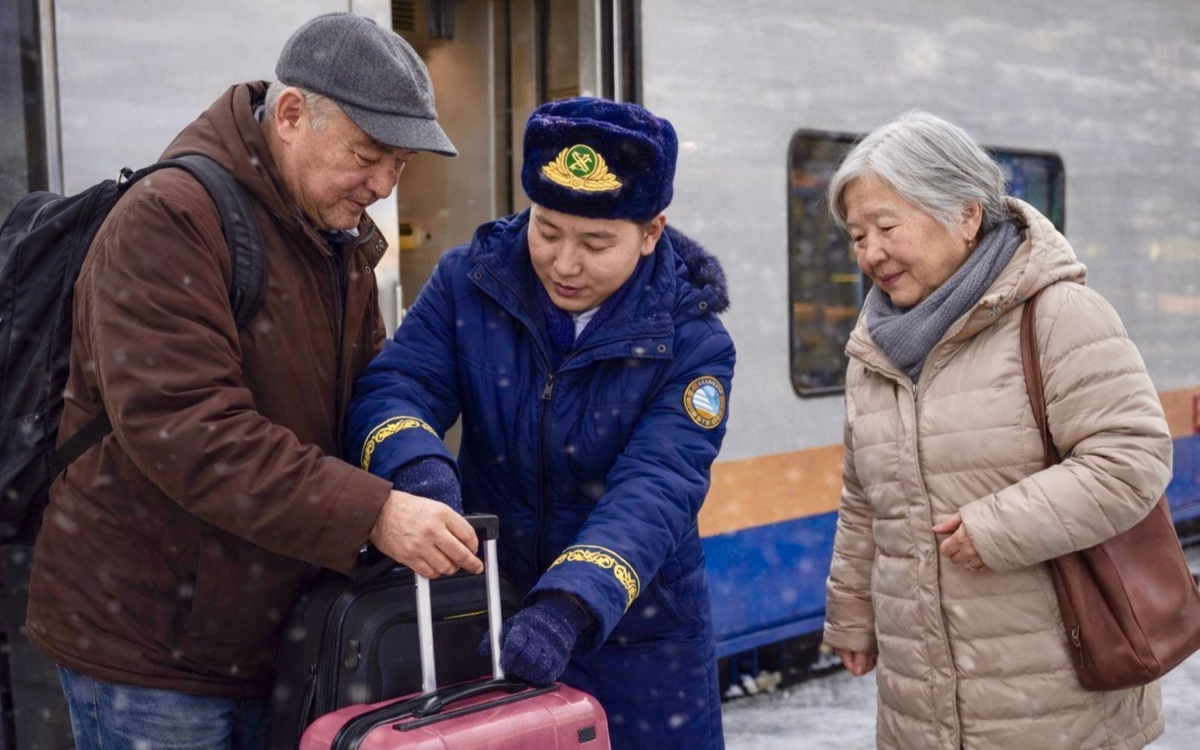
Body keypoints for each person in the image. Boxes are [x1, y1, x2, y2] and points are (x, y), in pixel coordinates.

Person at [25, 13, 484, 750]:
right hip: (155, 650)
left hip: (265, 632)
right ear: (293, 113)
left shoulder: (331, 237)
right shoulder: (171, 219)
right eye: (369, 155)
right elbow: (189, 429)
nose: (383, 185)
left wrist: (412, 468)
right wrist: (373, 513)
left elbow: (368, 391)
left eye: (400, 165)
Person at [346, 97, 735, 749]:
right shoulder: (470, 283)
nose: (564, 263)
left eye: (595, 243)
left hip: (640, 643)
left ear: (651, 232)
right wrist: (416, 466)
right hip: (492, 614)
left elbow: (658, 485)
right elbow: (397, 386)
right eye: (548, 230)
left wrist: (569, 602)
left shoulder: (693, 342)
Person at [821, 109, 1172, 749]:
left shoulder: (1058, 314)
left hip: (1054, 695)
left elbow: (1131, 459)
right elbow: (862, 499)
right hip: (918, 695)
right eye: (856, 235)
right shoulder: (874, 349)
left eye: (886, 226)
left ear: (965, 215)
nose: (870, 252)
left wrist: (994, 528)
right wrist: (851, 613)